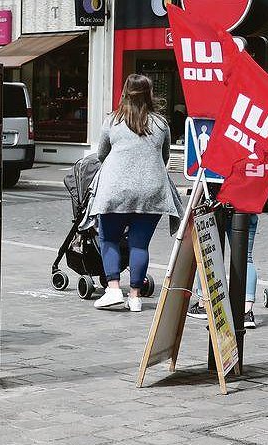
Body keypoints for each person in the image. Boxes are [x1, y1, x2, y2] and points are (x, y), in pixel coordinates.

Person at [91, 74, 181, 312]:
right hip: (152, 191)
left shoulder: (112, 121)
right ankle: (135, 297)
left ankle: (112, 289)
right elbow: (164, 158)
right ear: (149, 94)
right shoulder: (161, 124)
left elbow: (102, 154)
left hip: (116, 190)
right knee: (139, 245)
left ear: (125, 93)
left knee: (109, 238)